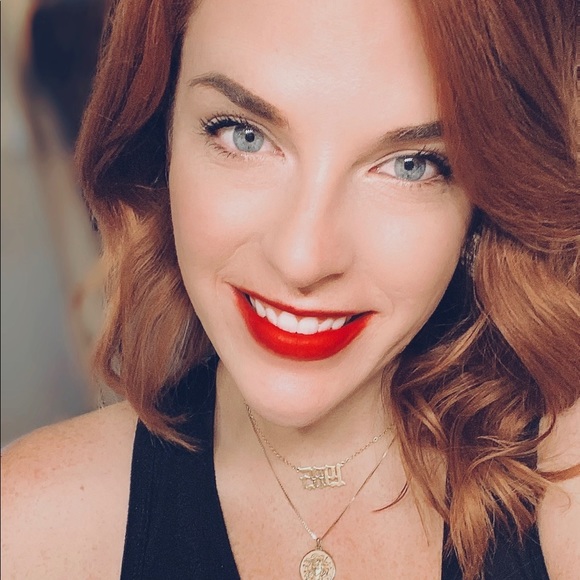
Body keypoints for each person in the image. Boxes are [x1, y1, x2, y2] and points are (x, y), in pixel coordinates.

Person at [2, 0, 578, 578]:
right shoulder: (32, 530)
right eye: (245, 135)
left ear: (485, 197)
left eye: (411, 165)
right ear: (162, 134)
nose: (303, 260)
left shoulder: (567, 495)